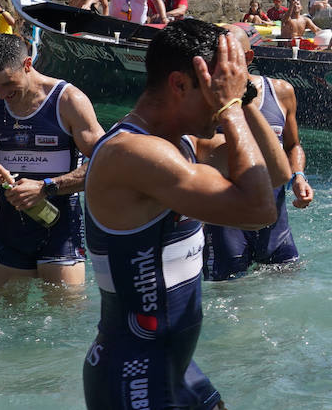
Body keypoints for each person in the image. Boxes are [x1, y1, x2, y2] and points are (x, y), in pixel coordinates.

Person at [81, 21, 279, 409]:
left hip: (177, 368)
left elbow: (275, 174)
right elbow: (259, 211)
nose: (220, 101)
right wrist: (231, 109)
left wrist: (245, 103)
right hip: (133, 376)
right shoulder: (135, 153)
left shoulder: (183, 143)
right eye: (213, 89)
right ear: (179, 84)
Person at [202, 26, 314, 280]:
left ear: (249, 58)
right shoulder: (206, 99)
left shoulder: (282, 92)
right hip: (224, 222)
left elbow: (292, 145)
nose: (224, 65)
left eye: (233, 56)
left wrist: (298, 175)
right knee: (227, 295)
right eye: (219, 57)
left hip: (274, 219)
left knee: (288, 283)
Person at [0, 35, 105, 288]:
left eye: (6, 83)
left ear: (27, 64)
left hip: (60, 225)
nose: (0, 94)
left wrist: (46, 187)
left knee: (64, 320)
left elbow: (104, 163)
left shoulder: (68, 101)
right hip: (9, 228)